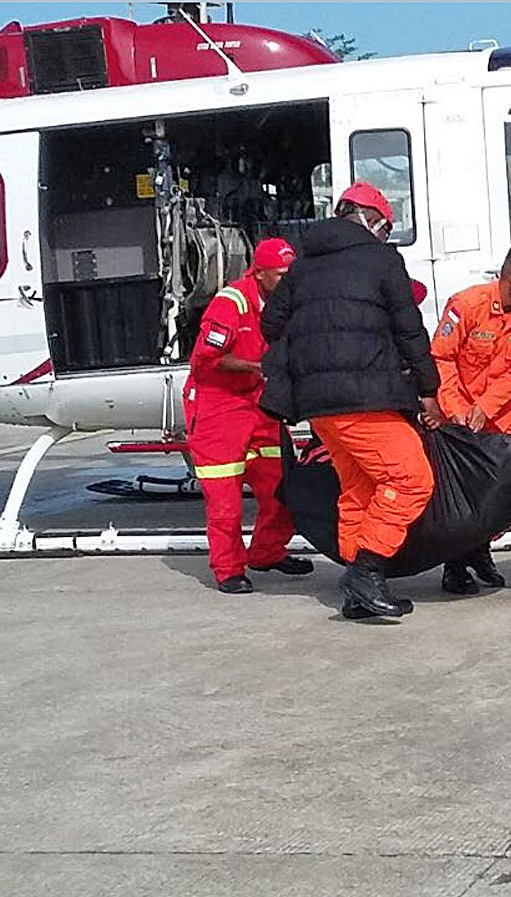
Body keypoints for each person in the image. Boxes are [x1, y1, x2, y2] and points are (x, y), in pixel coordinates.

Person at [260, 182, 446, 621]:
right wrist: (429, 390)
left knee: (360, 489)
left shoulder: (303, 263)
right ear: (373, 221)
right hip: (365, 397)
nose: (385, 235)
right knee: (411, 479)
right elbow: (409, 330)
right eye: (385, 227)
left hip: (316, 406)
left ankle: (358, 592)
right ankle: (367, 570)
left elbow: (272, 324)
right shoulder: (382, 260)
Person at [184, 238, 314, 594]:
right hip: (218, 404)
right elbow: (205, 361)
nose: (288, 282)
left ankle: (267, 552)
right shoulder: (231, 303)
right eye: (281, 275)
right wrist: (258, 367)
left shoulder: (284, 303)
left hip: (258, 400)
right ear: (260, 273)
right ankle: (228, 569)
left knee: (281, 485)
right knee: (225, 497)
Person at [430, 242, 511, 595]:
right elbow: (441, 358)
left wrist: (485, 407)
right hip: (456, 413)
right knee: (461, 493)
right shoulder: (467, 305)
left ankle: (480, 550)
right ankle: (455, 566)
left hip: (495, 413)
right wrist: (459, 411)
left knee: (509, 482)